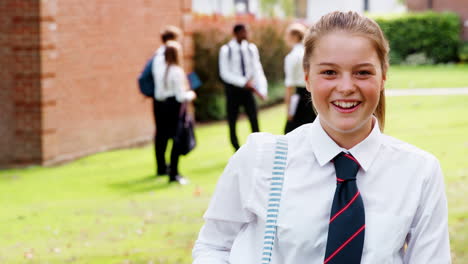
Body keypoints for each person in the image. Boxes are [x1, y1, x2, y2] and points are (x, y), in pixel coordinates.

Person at [193, 11, 450, 263]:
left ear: (383, 76)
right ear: (307, 77)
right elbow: (214, 247)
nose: (346, 87)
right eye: (329, 72)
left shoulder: (419, 172)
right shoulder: (261, 159)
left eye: (362, 72)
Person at [219, 23, 268, 151]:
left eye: (247, 32)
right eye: (243, 32)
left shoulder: (251, 48)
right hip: (233, 90)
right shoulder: (226, 50)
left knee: (253, 117)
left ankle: (258, 146)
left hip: (248, 90)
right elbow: (224, 73)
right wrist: (242, 82)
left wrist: (262, 89)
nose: (246, 34)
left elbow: (257, 69)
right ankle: (236, 147)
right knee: (232, 120)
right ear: (236, 33)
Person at [153, 41, 196, 184]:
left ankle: (170, 170)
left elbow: (158, 94)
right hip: (176, 109)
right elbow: (180, 96)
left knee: (168, 139)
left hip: (164, 107)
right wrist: (191, 94)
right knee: (177, 141)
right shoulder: (176, 71)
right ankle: (174, 173)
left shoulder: (161, 70)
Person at [151, 25, 182, 178]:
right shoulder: (165, 58)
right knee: (173, 135)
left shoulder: (157, 57)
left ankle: (162, 166)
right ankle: (167, 168)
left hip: (159, 100)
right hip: (169, 101)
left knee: (161, 134)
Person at [283, 22, 317, 134]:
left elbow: (289, 86)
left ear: (295, 36)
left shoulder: (292, 57)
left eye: (287, 35)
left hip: (298, 98)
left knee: (290, 132)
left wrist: (289, 111)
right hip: (313, 96)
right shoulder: (311, 54)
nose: (285, 38)